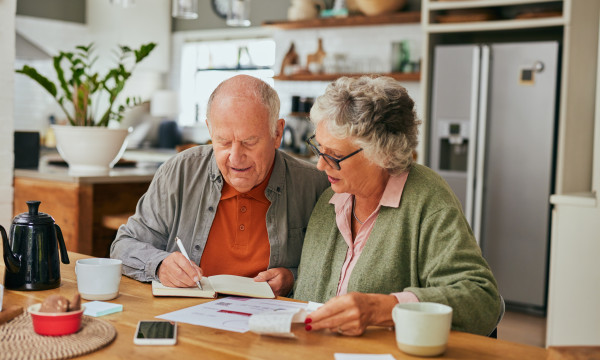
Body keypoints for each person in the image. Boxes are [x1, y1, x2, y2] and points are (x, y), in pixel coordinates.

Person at [293, 76, 501, 336]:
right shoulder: (331, 200)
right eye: (319, 148)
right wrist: (289, 280)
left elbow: (481, 299)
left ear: (382, 153)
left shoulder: (428, 199)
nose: (320, 165)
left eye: (334, 156)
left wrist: (386, 308)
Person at [110, 75, 329, 296]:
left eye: (249, 141)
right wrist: (159, 264)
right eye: (223, 141)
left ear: (277, 133)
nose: (235, 157)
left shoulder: (315, 185)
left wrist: (294, 277)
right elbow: (123, 246)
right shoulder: (179, 172)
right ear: (209, 130)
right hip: (188, 314)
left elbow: (339, 272)